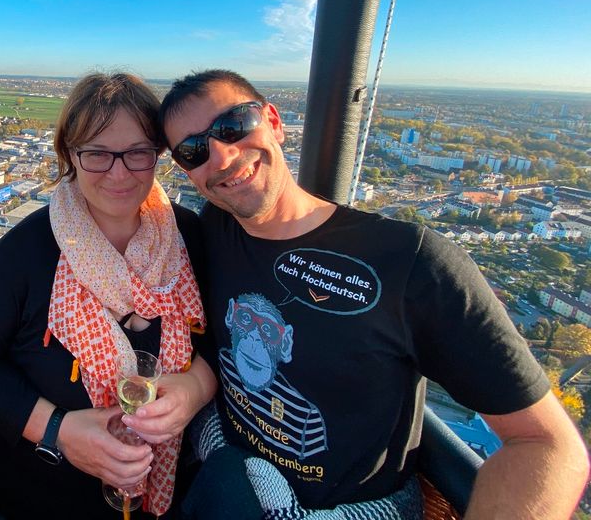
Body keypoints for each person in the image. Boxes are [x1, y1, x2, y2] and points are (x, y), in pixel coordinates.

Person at [157, 69, 589, 519]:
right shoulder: (212, 228)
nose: (222, 157)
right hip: (228, 485)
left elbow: (546, 444)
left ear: (274, 121)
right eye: (194, 150)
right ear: (186, 171)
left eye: (232, 126)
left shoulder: (412, 263)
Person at [0, 72, 217, 520]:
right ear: (70, 155)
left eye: (137, 153)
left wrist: (193, 388)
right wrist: (60, 431)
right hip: (38, 499)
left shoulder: (190, 238)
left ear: (157, 156)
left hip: (166, 500)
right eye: (96, 153)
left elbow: (217, 340)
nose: (118, 172)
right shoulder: (23, 255)